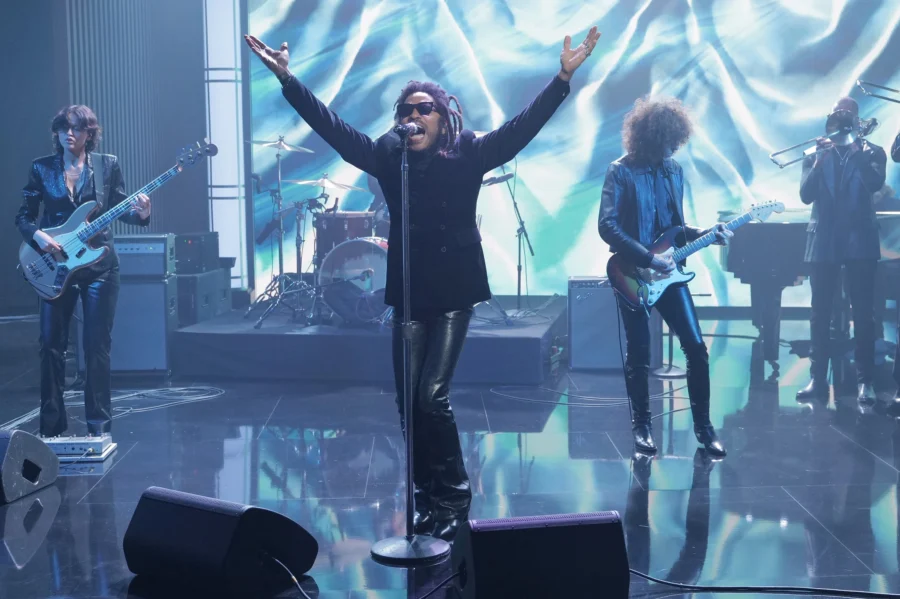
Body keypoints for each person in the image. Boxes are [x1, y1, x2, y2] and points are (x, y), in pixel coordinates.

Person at [245, 27, 600, 540]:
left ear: (443, 116)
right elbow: (335, 130)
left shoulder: (469, 151)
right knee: (408, 403)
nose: (413, 116)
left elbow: (521, 129)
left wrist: (562, 79)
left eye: (423, 108)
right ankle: (425, 496)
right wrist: (289, 81)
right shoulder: (391, 158)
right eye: (406, 111)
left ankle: (454, 497)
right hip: (410, 289)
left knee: (432, 395)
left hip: (454, 289)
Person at [599, 97, 731, 457]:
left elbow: (677, 229)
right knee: (639, 354)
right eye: (669, 140)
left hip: (669, 276)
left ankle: (704, 428)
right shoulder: (620, 171)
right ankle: (642, 426)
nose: (674, 147)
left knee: (696, 349)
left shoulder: (674, 171)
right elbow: (607, 226)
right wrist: (648, 258)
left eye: (677, 140)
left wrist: (708, 232)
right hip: (631, 273)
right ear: (652, 137)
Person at [15, 105, 151, 438]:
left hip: (99, 268)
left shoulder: (107, 165)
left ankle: (98, 428)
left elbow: (120, 209)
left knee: (96, 347)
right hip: (55, 265)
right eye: (63, 128)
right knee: (51, 346)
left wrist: (142, 214)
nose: (68, 134)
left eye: (75, 128)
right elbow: (24, 216)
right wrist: (39, 236)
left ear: (89, 133)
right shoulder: (42, 168)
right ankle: (51, 430)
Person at [796, 98, 886, 405]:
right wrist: (819, 161)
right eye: (837, 115)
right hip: (824, 241)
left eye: (848, 116)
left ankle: (865, 382)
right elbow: (806, 195)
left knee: (864, 314)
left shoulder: (873, 152)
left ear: (858, 121)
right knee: (819, 313)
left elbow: (874, 184)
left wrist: (857, 153)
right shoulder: (816, 154)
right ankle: (817, 378)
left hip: (861, 241)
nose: (843, 121)